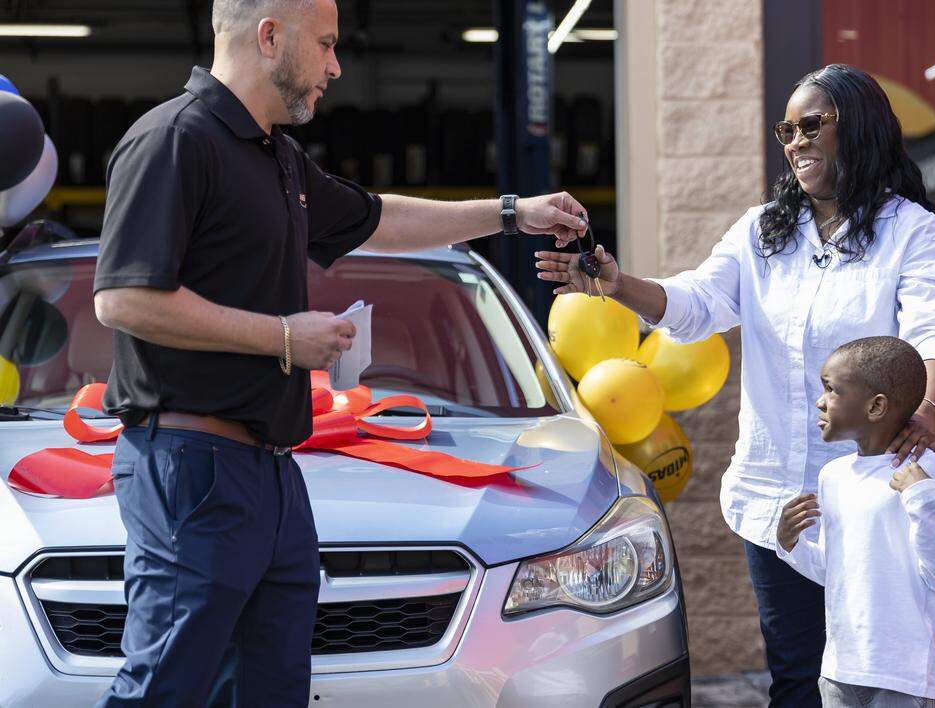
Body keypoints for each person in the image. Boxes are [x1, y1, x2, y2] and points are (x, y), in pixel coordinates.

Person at [92, 1, 588, 705]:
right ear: (269, 37)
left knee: (270, 691)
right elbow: (123, 300)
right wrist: (286, 337)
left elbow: (379, 218)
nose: (336, 65)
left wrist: (511, 213)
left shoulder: (277, 157)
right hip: (190, 467)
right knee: (162, 690)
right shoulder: (173, 139)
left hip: (270, 474)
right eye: (324, 44)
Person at [535, 63, 935, 706]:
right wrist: (615, 284)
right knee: (798, 679)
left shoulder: (908, 230)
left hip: (873, 494)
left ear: (860, 129)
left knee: (900, 674)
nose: (795, 141)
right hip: (777, 497)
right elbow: (696, 305)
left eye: (811, 124)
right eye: (786, 129)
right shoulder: (764, 231)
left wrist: (928, 408)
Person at [777, 336, 935, 708]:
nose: (820, 401)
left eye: (831, 390)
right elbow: (835, 572)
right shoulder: (833, 476)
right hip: (841, 670)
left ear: (876, 406)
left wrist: (922, 497)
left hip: (903, 674)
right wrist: (790, 545)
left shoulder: (921, 470)